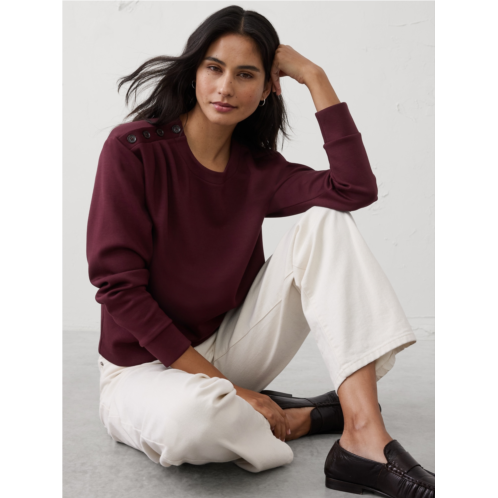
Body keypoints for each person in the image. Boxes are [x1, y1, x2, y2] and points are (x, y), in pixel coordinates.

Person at [87, 6, 435, 497]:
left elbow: (354, 188)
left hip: (227, 347)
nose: (225, 87)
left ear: (268, 87)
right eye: (214, 68)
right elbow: (118, 288)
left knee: (328, 219)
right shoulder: (134, 149)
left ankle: (363, 436)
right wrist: (229, 390)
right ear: (193, 72)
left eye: (246, 74)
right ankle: (299, 419)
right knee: (191, 423)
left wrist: (314, 77)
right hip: (141, 371)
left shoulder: (258, 168)